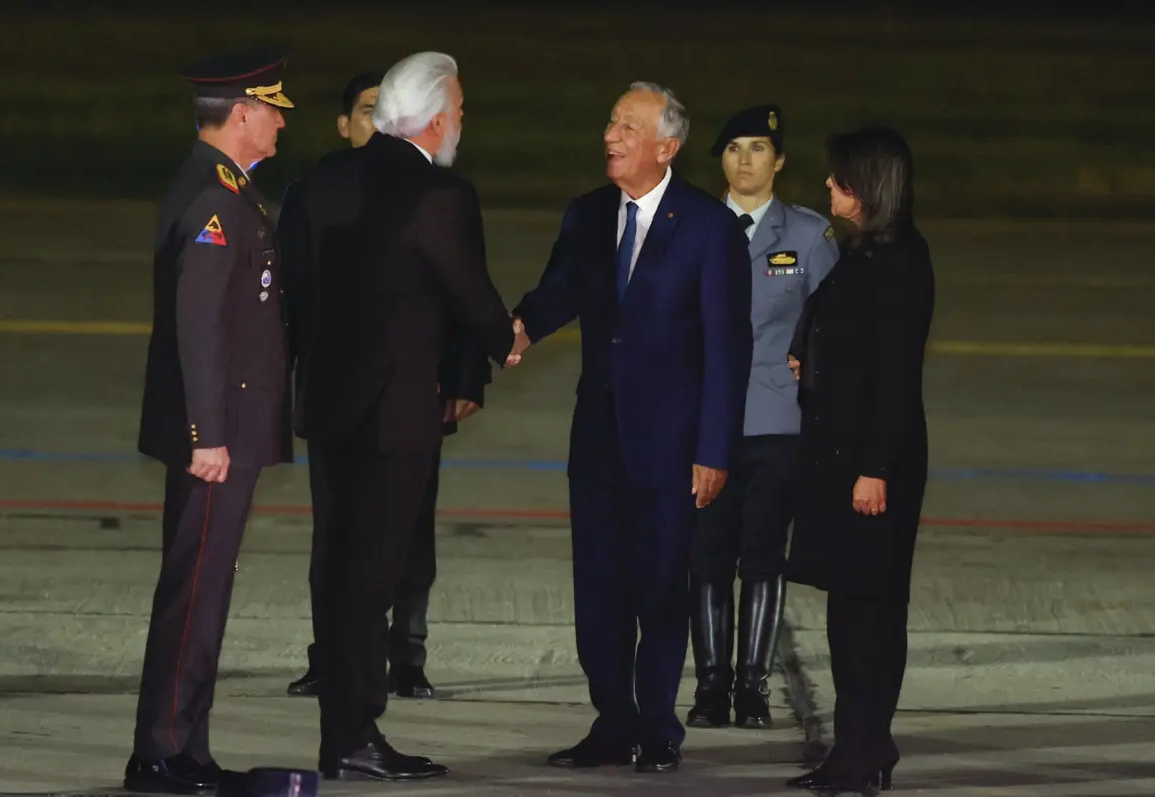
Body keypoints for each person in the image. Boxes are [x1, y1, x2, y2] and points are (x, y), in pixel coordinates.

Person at [280, 51, 515, 782]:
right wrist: (506, 338)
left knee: (335, 567)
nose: (462, 126)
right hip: (396, 418)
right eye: (462, 113)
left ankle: (343, 727)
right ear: (438, 119)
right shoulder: (442, 195)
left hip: (328, 407)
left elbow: (292, 300)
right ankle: (353, 731)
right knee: (373, 575)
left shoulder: (319, 181)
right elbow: (474, 305)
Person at [509, 82, 753, 774]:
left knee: (658, 587)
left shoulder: (708, 228)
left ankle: (657, 728)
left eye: (626, 126)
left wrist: (714, 447)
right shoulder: (588, 214)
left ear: (665, 146)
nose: (610, 136)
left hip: (672, 447)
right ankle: (611, 720)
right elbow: (558, 291)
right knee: (599, 590)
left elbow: (727, 349)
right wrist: (520, 326)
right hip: (598, 440)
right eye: (611, 122)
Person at [125, 47, 295, 795]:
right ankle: (159, 752)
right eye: (273, 107)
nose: (283, 120)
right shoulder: (215, 199)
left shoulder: (228, 187)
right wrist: (208, 434)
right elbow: (197, 325)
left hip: (227, 429)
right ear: (243, 114)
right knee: (193, 593)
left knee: (207, 591)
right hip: (216, 437)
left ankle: (187, 743)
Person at [782, 126, 934, 793]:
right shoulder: (865, 252)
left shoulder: (900, 259)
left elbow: (896, 373)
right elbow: (833, 319)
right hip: (841, 454)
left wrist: (873, 467)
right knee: (849, 610)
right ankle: (857, 744)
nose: (828, 188)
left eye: (839, 180)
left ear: (868, 187)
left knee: (870, 611)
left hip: (873, 463)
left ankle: (867, 747)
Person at [686, 105, 839, 730]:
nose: (744, 160)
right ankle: (709, 686)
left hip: (777, 422)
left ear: (778, 161)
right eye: (732, 148)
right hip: (704, 423)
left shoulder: (808, 235)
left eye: (758, 148)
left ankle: (751, 686)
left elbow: (831, 327)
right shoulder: (690, 226)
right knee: (706, 557)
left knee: (762, 556)